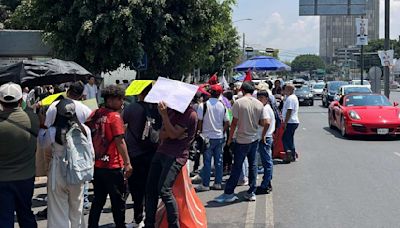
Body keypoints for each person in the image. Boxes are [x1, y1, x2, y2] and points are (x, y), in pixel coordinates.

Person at [45, 81, 93, 228]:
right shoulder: (85, 129)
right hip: (78, 170)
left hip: (57, 169)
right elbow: (90, 151)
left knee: (58, 209)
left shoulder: (52, 131)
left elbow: (45, 147)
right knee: (77, 207)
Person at [144, 101, 198, 228]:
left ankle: (174, 225)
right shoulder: (171, 111)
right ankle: (149, 223)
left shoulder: (190, 114)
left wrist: (165, 118)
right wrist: (171, 131)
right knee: (150, 189)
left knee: (164, 191)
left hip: (176, 155)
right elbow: (162, 134)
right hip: (162, 151)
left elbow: (172, 134)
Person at [214, 81, 267, 203]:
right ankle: (251, 191)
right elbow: (263, 122)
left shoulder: (238, 103)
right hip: (254, 138)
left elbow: (234, 123)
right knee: (252, 166)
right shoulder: (259, 104)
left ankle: (229, 193)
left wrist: (229, 138)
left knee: (237, 166)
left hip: (242, 139)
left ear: (242, 90)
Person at [88, 85, 133, 228]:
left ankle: (92, 225)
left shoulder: (96, 113)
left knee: (98, 199)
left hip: (98, 164)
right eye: (120, 99)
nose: (122, 102)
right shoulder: (115, 117)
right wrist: (127, 163)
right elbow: (120, 141)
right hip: (113, 164)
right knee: (117, 200)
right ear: (111, 99)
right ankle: (120, 225)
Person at [0, 82, 39, 228]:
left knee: (4, 218)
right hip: (26, 177)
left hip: (2, 179)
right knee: (26, 214)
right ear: (20, 101)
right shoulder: (32, 119)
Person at [123, 84, 161, 226]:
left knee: (137, 189)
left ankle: (138, 218)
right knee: (151, 188)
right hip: (153, 152)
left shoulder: (132, 108)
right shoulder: (158, 108)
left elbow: (122, 123)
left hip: (135, 153)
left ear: (140, 93)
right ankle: (151, 218)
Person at [194, 84, 229, 191]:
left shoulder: (203, 105)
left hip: (207, 137)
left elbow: (199, 121)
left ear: (210, 93)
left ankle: (205, 184)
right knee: (219, 161)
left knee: (207, 161)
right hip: (219, 137)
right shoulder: (222, 105)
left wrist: (200, 132)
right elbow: (227, 122)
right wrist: (222, 132)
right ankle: (217, 183)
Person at [255, 90, 275, 194]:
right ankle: (267, 183)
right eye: (258, 98)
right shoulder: (266, 108)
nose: (259, 100)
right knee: (267, 162)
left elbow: (266, 123)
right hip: (267, 137)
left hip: (265, 138)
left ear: (266, 99)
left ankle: (265, 185)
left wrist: (262, 136)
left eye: (261, 98)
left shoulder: (265, 109)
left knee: (267, 163)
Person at [282, 84, 300, 163]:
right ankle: (292, 154)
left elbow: (289, 110)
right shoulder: (292, 97)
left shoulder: (290, 98)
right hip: (293, 121)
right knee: (290, 139)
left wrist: (285, 122)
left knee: (285, 139)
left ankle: (288, 153)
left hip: (290, 122)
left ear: (289, 90)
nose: (284, 91)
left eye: (285, 89)